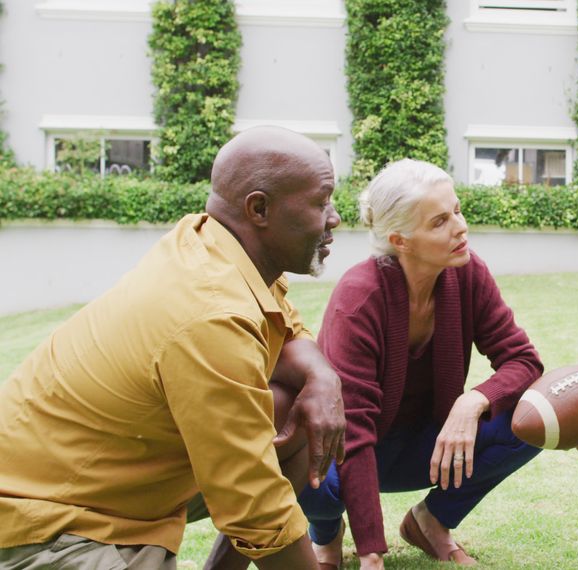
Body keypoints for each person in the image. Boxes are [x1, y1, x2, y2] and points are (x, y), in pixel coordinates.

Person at [0, 126, 346, 570]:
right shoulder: (211, 312)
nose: (333, 217)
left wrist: (322, 377)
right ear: (259, 208)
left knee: (292, 408)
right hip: (49, 523)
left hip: (119, 489)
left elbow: (287, 330)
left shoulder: (209, 243)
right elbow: (255, 502)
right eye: (321, 202)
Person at [298, 159, 543, 570]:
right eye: (439, 222)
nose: (460, 227)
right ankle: (325, 536)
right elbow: (353, 432)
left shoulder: (468, 273)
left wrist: (473, 402)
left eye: (458, 211)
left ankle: (431, 522)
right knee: (305, 468)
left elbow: (523, 360)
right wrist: (371, 554)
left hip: (426, 446)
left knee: (535, 417)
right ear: (401, 240)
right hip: (349, 452)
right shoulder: (359, 299)